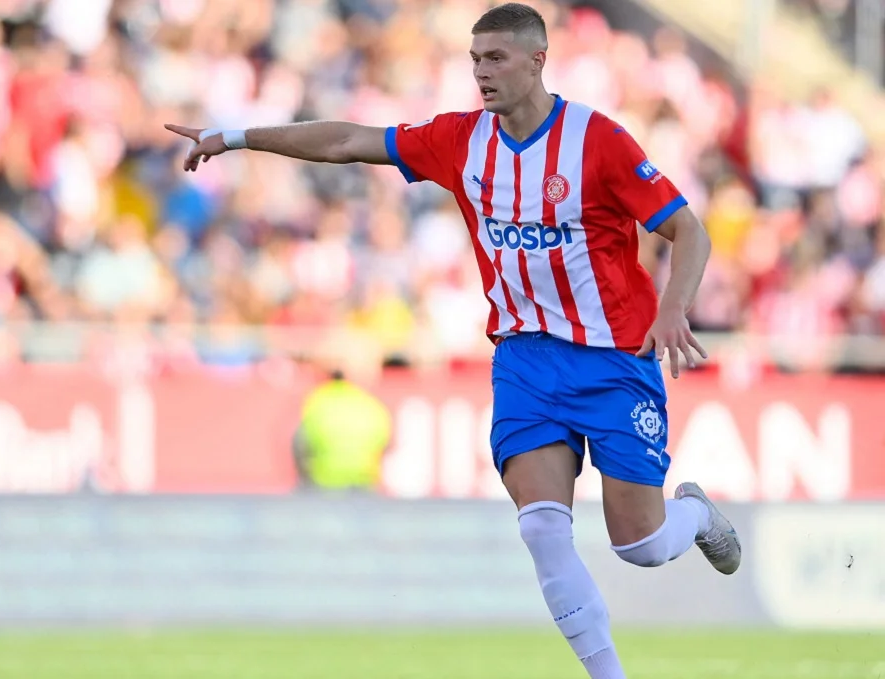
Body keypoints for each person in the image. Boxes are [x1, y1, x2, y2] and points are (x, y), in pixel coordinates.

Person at [165, 4, 739, 677]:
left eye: (496, 58)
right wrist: (234, 137)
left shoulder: (598, 140)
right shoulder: (459, 140)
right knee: (542, 528)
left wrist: (673, 308)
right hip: (526, 356)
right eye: (474, 60)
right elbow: (347, 140)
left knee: (640, 545)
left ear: (537, 60)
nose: (481, 72)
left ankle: (694, 514)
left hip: (616, 358)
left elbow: (689, 230)